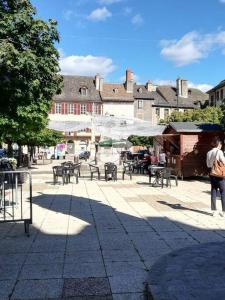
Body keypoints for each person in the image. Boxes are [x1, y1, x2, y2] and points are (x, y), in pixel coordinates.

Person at [206, 136, 225, 217]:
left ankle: (214, 211)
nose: (221, 145)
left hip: (212, 174)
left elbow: (208, 164)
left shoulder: (209, 152)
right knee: (223, 192)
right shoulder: (219, 152)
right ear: (218, 144)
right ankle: (224, 211)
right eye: (220, 144)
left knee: (213, 191)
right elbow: (224, 162)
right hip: (220, 175)